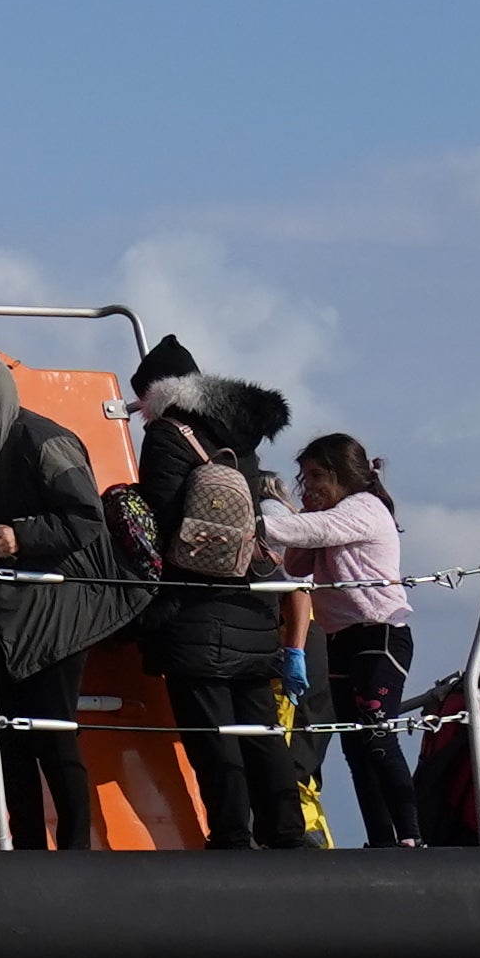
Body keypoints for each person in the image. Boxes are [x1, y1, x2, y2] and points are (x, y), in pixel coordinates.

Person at [0, 338, 144, 853]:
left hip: (60, 610)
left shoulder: (44, 441)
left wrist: (22, 536)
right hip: (8, 611)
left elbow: (85, 518)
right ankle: (26, 848)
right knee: (10, 739)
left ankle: (74, 851)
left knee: (54, 734)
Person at [131, 347, 302, 848]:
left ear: (154, 392)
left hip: (192, 605)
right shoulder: (236, 433)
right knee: (261, 730)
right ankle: (287, 834)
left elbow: (162, 514)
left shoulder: (165, 434)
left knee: (211, 732)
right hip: (250, 598)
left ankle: (231, 834)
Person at [262, 431, 414, 845]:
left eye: (314, 476)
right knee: (355, 748)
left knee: (378, 738)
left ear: (340, 474)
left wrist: (254, 524)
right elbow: (296, 565)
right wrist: (304, 517)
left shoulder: (362, 508)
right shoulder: (332, 519)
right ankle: (381, 837)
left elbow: (312, 531)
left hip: (379, 634)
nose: (307, 485)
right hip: (344, 639)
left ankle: (412, 837)